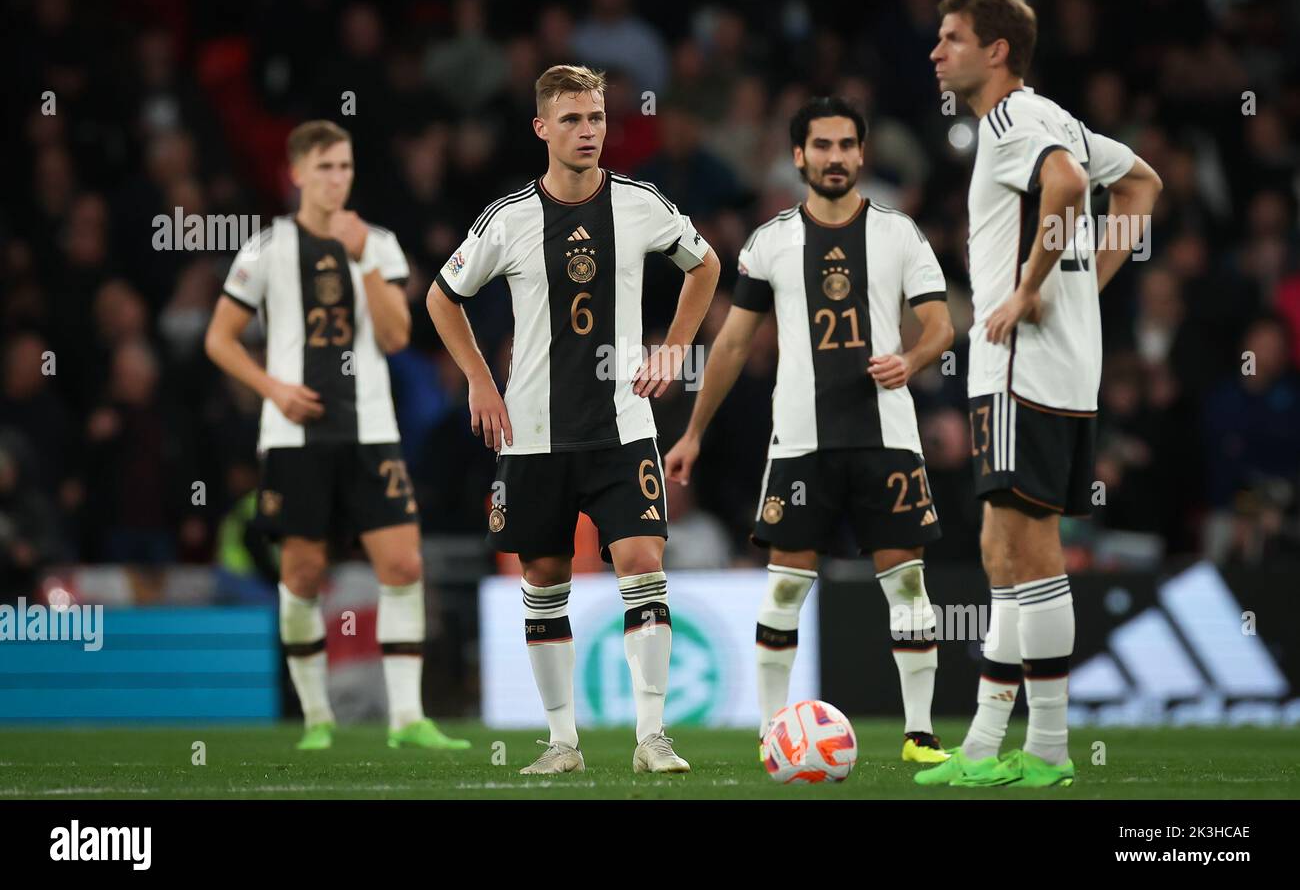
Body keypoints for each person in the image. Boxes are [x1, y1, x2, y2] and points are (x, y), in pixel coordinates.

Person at [427, 65, 720, 775]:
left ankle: (653, 735)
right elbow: (442, 295)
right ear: (541, 128)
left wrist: (674, 344)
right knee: (545, 574)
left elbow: (705, 264)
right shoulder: (508, 218)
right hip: (532, 432)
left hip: (623, 424)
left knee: (644, 560)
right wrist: (480, 380)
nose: (588, 131)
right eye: (571, 120)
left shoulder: (640, 203)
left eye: (595, 118)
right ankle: (563, 742)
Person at [919, 0, 1162, 787]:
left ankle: (1048, 749)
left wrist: (1031, 287)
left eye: (950, 38)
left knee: (1027, 548)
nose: (935, 52)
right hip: (1042, 362)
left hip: (1023, 359)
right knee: (1004, 548)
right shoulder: (1057, 115)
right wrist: (1088, 279)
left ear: (996, 51)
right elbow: (1143, 186)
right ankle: (991, 745)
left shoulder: (1015, 119)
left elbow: (1061, 185)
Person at [664, 96, 955, 764]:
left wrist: (910, 359)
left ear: (862, 153)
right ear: (798, 156)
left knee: (906, 582)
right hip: (801, 442)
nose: (834, 156)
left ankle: (919, 733)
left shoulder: (898, 233)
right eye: (821, 145)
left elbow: (940, 322)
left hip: (886, 437)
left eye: (846, 144)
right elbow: (733, 345)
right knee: (787, 585)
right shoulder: (770, 241)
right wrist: (693, 432)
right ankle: (772, 731)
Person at [205, 120, 469, 752]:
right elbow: (218, 339)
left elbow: (398, 336)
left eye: (345, 167)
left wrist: (364, 264)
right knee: (301, 571)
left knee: (404, 565)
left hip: (372, 431)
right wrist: (274, 389)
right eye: (325, 167)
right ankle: (317, 714)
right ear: (295, 173)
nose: (337, 178)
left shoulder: (377, 242)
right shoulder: (264, 250)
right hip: (296, 436)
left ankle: (407, 717)